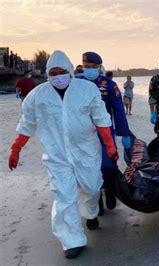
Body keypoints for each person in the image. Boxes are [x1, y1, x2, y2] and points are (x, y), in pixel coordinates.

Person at [8, 50, 117, 259]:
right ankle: (72, 240)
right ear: (48, 74)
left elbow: (101, 119)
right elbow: (27, 124)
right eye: (53, 73)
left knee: (92, 187)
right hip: (56, 156)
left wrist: (110, 146)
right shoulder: (37, 95)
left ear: (70, 71)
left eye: (61, 72)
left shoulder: (87, 90)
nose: (57, 76)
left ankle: (91, 212)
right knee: (64, 197)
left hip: (86, 151)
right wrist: (15, 149)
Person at [81, 51, 132, 215]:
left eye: (93, 67)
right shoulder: (75, 84)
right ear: (82, 66)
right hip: (82, 136)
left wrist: (124, 133)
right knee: (89, 171)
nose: (90, 70)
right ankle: (96, 202)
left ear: (99, 67)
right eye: (87, 67)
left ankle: (110, 189)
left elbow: (118, 110)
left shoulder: (108, 84)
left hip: (105, 135)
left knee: (108, 166)